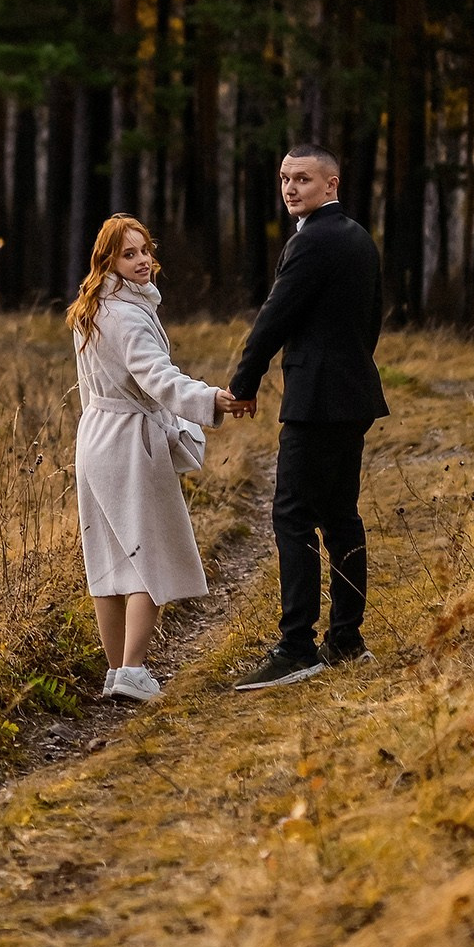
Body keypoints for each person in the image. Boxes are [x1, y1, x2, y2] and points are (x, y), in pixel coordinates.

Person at [219, 143, 385, 691]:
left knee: (292, 515)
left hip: (317, 401)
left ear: (332, 184)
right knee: (340, 515)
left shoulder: (313, 241)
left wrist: (244, 382)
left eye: (304, 180)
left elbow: (274, 318)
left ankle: (296, 647)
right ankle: (346, 638)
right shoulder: (357, 237)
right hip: (353, 394)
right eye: (285, 178)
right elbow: (370, 324)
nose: (291, 188)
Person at [67, 213, 232, 703]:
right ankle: (134, 670)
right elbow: (158, 377)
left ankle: (117, 669)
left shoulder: (91, 308)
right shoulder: (127, 314)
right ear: (108, 260)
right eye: (129, 254)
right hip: (128, 440)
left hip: (94, 434)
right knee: (146, 557)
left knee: (109, 560)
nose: (143, 262)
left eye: (145, 251)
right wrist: (211, 400)